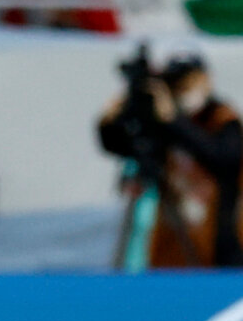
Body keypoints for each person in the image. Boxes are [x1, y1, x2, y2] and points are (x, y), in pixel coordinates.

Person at [99, 51, 243, 269]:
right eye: (177, 84)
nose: (183, 90)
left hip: (222, 247)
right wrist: (113, 119)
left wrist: (173, 120)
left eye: (189, 82)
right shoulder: (164, 121)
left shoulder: (222, 119)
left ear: (206, 80)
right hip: (174, 249)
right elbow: (124, 145)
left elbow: (223, 158)